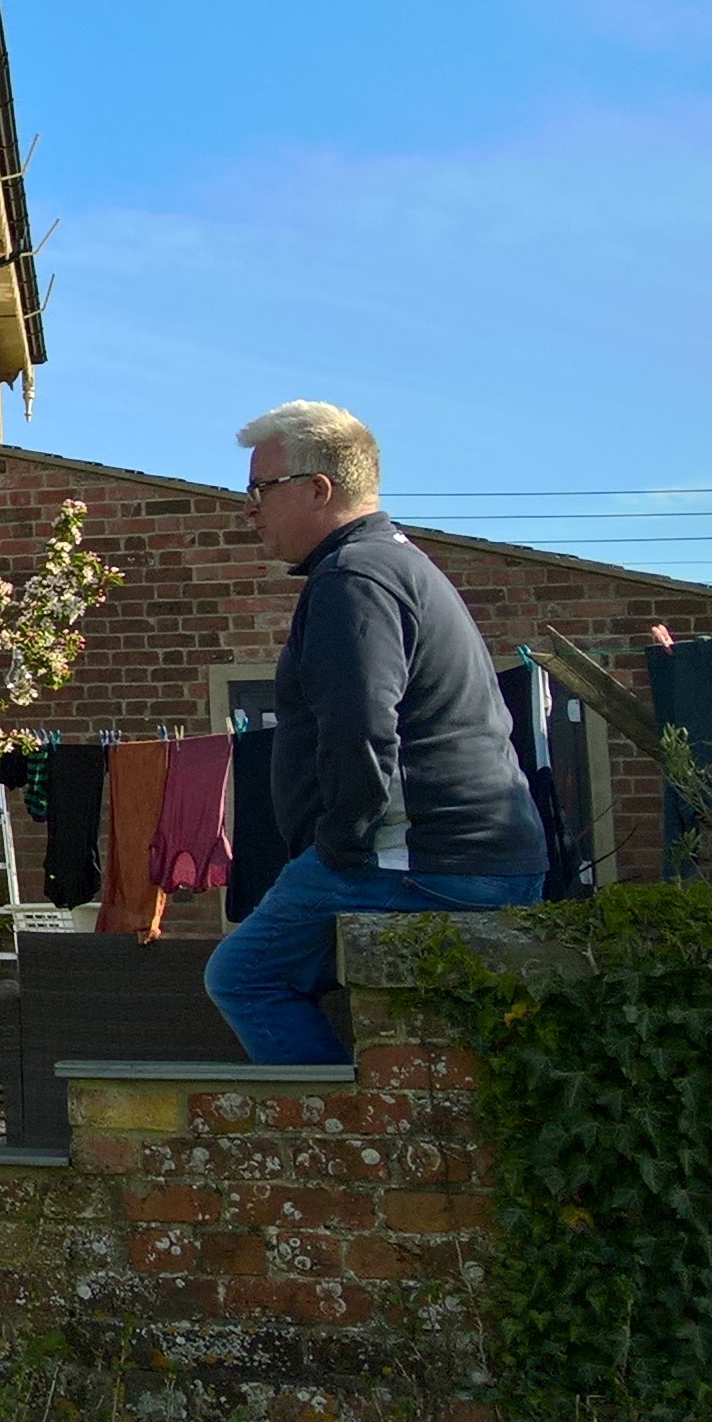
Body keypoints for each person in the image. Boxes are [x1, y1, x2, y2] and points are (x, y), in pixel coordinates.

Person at [204, 400, 545, 1064]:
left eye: (259, 490)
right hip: (475, 860)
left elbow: (361, 730)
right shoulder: (394, 564)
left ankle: (337, 1145)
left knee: (245, 975)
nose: (249, 509)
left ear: (318, 488)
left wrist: (338, 847)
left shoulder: (353, 579)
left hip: (417, 864)